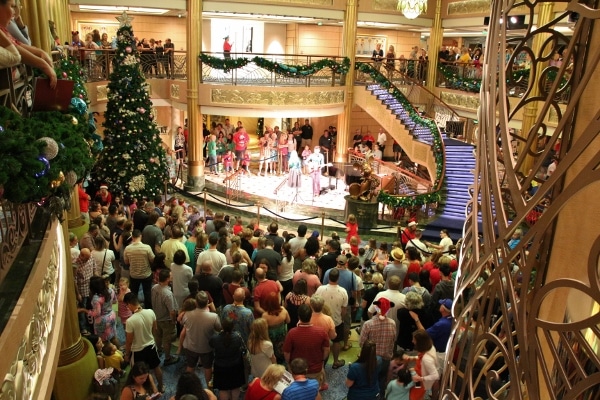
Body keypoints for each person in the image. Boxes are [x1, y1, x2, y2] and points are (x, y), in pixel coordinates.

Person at [123, 293, 164, 393]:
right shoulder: (150, 312)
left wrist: (127, 354)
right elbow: (155, 329)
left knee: (137, 372)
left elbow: (129, 341)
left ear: (128, 304)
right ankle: (161, 386)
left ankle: (141, 391)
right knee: (156, 367)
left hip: (137, 351)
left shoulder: (130, 321)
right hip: (151, 345)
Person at [283, 304, 330, 389]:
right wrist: (321, 360)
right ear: (311, 315)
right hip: (315, 370)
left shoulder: (291, 333)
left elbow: (286, 353)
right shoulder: (321, 332)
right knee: (315, 390)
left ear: (299, 317)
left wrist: (289, 364)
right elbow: (327, 349)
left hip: (297, 371)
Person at [181, 291, 222, 385]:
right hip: (206, 348)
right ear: (207, 302)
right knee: (207, 367)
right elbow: (219, 328)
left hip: (190, 346)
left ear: (196, 302)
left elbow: (182, 323)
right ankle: (209, 386)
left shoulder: (187, 314)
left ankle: (187, 385)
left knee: (190, 366)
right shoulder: (214, 317)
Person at [209, 317, 247, 400]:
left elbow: (211, 345)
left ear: (222, 327)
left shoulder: (215, 338)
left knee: (223, 388)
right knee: (235, 386)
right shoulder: (237, 337)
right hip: (236, 366)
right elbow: (244, 349)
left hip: (220, 367)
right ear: (233, 327)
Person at [151, 269, 179, 366]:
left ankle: (158, 350)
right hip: (166, 320)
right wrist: (174, 320)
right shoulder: (168, 294)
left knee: (158, 336)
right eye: (170, 276)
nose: (172, 276)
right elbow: (172, 311)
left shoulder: (154, 287)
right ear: (167, 279)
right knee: (167, 340)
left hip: (156, 317)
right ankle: (168, 358)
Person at [402, 330, 439, 400]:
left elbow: (435, 375)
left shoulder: (427, 359)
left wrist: (421, 378)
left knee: (413, 397)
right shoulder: (430, 347)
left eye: (414, 340)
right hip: (417, 377)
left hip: (420, 381)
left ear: (420, 342)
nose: (412, 341)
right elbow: (420, 358)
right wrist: (412, 358)